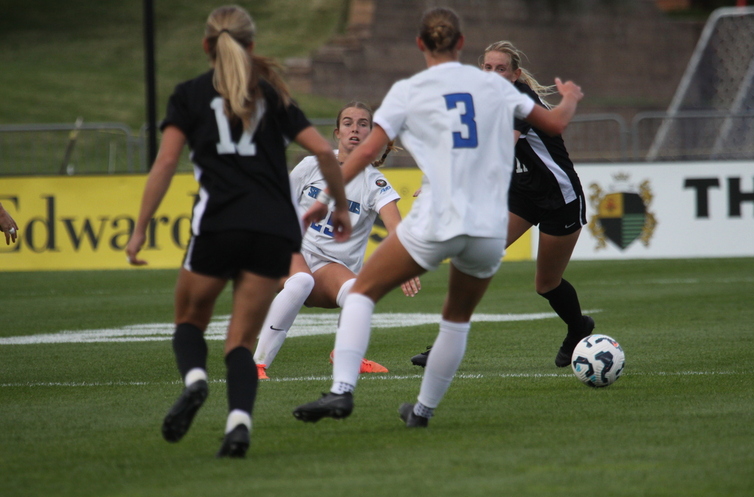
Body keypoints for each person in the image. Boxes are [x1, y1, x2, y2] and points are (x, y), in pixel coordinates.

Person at [292, 6, 583, 427]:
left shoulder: (409, 91)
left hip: (436, 220)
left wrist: (326, 198)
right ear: (462, 45)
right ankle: (422, 411)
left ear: (419, 45)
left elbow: (369, 151)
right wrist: (571, 97)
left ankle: (341, 391)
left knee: (360, 295)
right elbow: (554, 125)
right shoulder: (496, 89)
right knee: (456, 320)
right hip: (485, 225)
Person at [125, 5, 351, 458]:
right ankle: (238, 424)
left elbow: (166, 162)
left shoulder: (189, 94)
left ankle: (194, 382)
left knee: (190, 319)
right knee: (242, 342)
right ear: (250, 46)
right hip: (271, 230)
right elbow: (326, 153)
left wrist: (140, 229)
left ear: (207, 46)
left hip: (218, 224)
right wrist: (340, 206)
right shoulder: (271, 94)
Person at [410, 40, 594, 370]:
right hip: (521, 195)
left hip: (559, 198)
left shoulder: (518, 100)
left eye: (501, 69)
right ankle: (443, 345)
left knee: (546, 284)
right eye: (487, 67)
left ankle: (578, 328)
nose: (493, 74)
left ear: (515, 75)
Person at [253, 101, 420, 379]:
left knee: (360, 292)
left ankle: (346, 354)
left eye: (363, 124)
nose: (355, 129)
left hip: (327, 268)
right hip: (291, 252)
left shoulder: (374, 183)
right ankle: (257, 364)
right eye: (348, 123)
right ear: (337, 133)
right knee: (300, 281)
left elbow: (395, 228)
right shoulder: (311, 165)